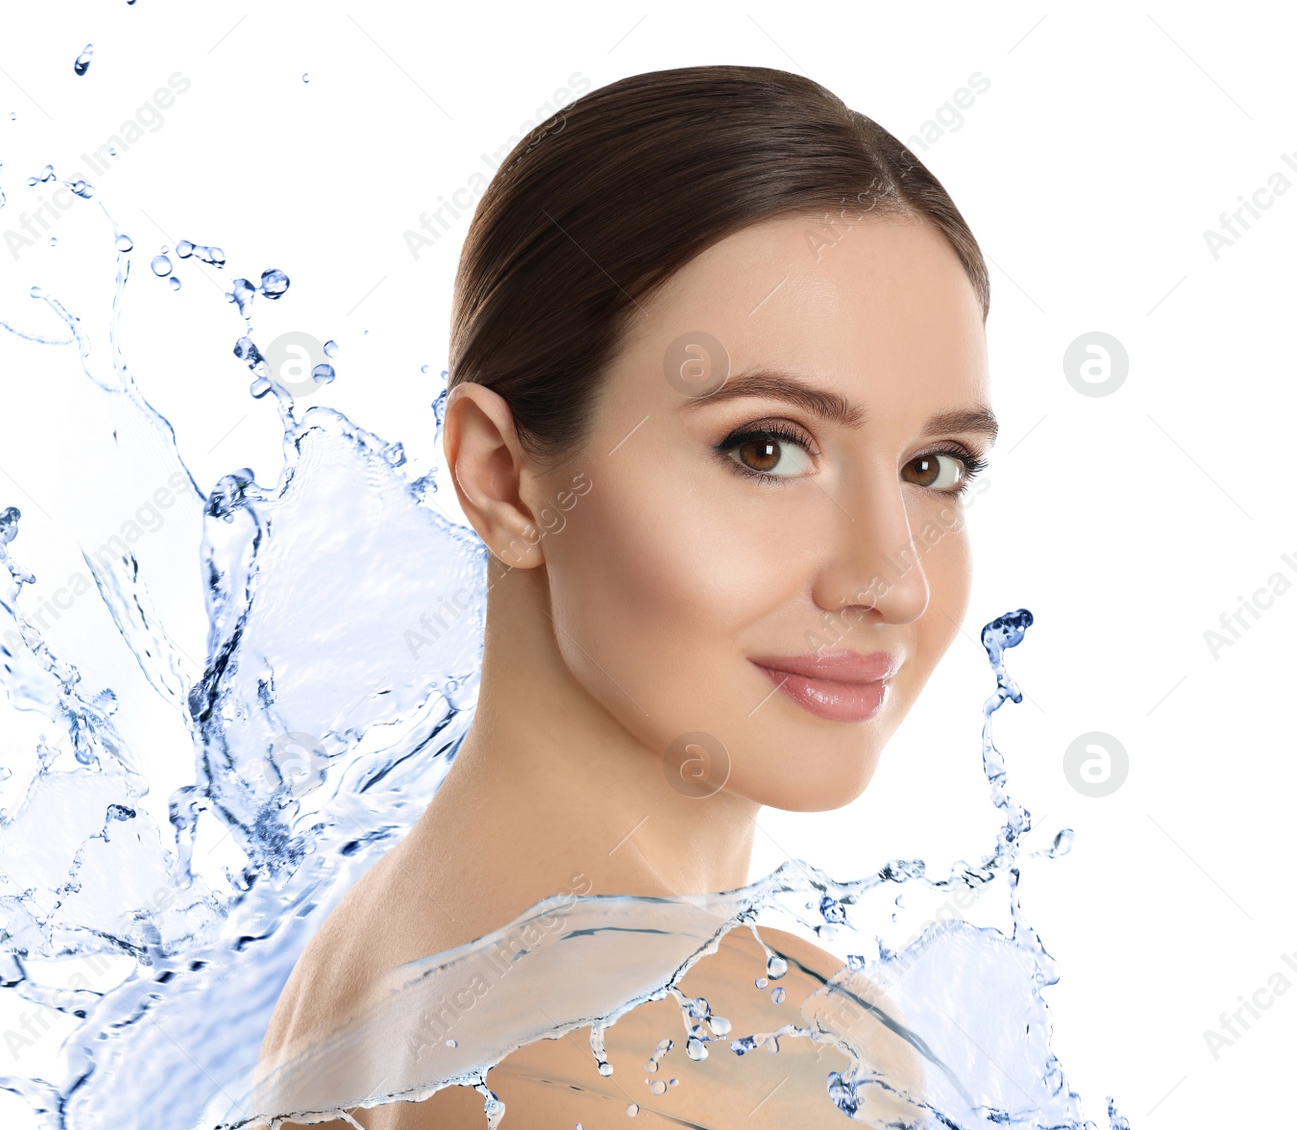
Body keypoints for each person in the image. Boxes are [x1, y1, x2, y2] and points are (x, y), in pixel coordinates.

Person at [252, 63, 996, 1127]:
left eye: (935, 467)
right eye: (765, 446)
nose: (889, 578)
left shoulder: (386, 937)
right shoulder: (726, 1057)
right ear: (503, 477)